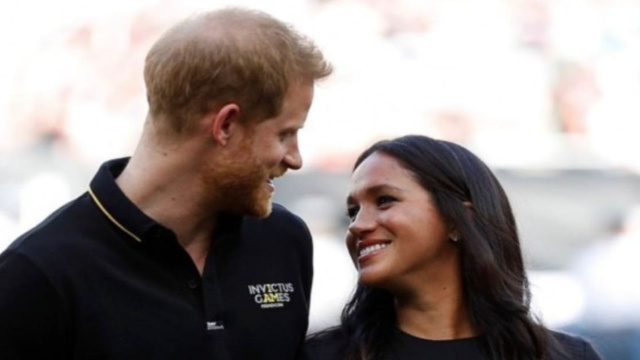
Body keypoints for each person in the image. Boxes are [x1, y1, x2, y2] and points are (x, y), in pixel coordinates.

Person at [0, 7, 331, 360]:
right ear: (226, 126)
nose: (295, 158)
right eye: (286, 134)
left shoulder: (284, 242)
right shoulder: (37, 275)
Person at [304, 135, 601, 360]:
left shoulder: (564, 356)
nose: (357, 225)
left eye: (384, 200)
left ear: (458, 220)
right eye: (353, 212)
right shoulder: (323, 355)